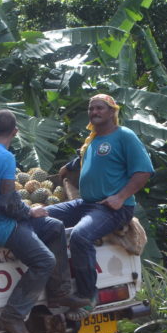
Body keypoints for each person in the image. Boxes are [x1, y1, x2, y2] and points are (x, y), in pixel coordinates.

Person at [0, 110, 90, 333]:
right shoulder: (4, 157)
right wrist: (31, 211)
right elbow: (8, 204)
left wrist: (30, 214)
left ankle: (60, 293)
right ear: (15, 132)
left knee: (54, 227)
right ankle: (13, 316)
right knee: (45, 261)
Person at [47, 94, 154, 317]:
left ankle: (88, 296)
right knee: (40, 217)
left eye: (100, 108)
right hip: (85, 204)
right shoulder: (93, 140)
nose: (94, 112)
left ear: (112, 111)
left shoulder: (124, 136)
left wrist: (120, 197)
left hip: (111, 208)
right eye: (91, 108)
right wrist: (68, 168)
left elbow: (144, 171)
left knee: (80, 236)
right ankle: (59, 288)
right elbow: (86, 160)